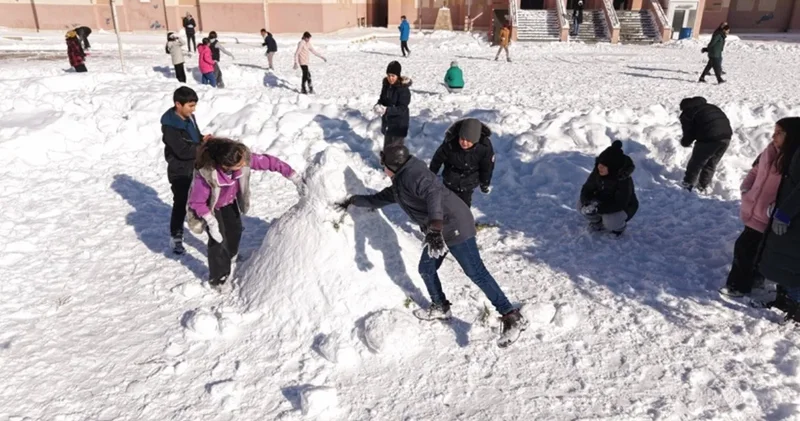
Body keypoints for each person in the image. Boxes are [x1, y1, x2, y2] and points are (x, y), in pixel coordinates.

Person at [335, 145, 527, 347]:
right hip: (438, 230)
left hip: (454, 224)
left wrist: (435, 228)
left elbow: (433, 194)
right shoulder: (401, 182)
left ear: (391, 165)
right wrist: (352, 201)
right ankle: (440, 307)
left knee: (475, 271)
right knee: (426, 268)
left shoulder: (415, 175)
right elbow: (378, 199)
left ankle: (511, 316)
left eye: (383, 164)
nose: (382, 168)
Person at [187, 138, 304, 291]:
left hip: (229, 202)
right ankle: (218, 279)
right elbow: (196, 202)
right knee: (218, 240)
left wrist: (293, 176)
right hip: (211, 207)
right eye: (239, 165)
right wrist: (210, 221)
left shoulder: (241, 157)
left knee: (235, 229)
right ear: (225, 166)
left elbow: (270, 162)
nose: (245, 164)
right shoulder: (206, 175)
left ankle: (230, 255)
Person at [720, 119, 798, 297]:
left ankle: (737, 286)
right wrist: (746, 188)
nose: (773, 136)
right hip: (755, 207)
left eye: (779, 133)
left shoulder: (793, 158)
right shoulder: (770, 150)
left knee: (746, 248)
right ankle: (754, 279)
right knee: (752, 249)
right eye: (774, 131)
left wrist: (778, 210)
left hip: (771, 214)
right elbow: (755, 170)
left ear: (792, 135)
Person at [755, 117, 800, 322]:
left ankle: (797, 308)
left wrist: (785, 213)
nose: (774, 136)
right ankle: (783, 300)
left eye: (779, 132)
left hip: (794, 217)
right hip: (789, 213)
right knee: (783, 259)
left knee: (793, 265)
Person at [161, 87, 211, 254]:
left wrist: (203, 138)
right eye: (190, 106)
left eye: (194, 105)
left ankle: (213, 233)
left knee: (204, 199)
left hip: (195, 167)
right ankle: (176, 236)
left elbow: (194, 138)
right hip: (180, 171)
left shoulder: (190, 118)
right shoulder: (170, 127)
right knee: (181, 202)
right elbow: (182, 151)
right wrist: (202, 148)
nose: (193, 109)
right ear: (178, 104)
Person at [429, 118, 494, 208]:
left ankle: (463, 220)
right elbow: (437, 159)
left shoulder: (484, 147)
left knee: (464, 206)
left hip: (469, 180)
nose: (464, 142)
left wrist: (485, 183)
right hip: (450, 179)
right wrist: (431, 174)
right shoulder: (450, 143)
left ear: (475, 140)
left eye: (468, 140)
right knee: (447, 203)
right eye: (462, 138)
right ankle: (446, 219)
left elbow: (487, 167)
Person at [579, 141, 639, 235]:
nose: (600, 167)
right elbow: (587, 188)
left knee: (610, 221)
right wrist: (587, 203)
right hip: (602, 202)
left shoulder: (623, 180)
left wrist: (598, 209)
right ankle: (597, 222)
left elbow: (620, 203)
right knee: (580, 205)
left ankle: (619, 228)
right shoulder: (597, 173)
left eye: (604, 165)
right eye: (600, 163)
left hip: (624, 208)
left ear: (613, 168)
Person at [678, 97, 733, 193]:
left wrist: (685, 143)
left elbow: (688, 133)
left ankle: (687, 185)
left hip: (709, 137)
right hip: (726, 136)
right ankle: (702, 186)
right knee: (711, 163)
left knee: (696, 163)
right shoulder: (710, 106)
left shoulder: (688, 113)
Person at [374, 61, 411, 149]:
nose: (390, 78)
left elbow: (402, 108)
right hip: (388, 123)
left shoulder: (403, 89)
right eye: (389, 75)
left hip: (399, 125)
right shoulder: (386, 86)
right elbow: (382, 99)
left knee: (395, 153)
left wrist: (387, 110)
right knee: (387, 149)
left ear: (398, 76)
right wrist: (378, 105)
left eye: (393, 76)